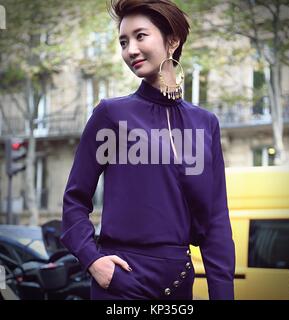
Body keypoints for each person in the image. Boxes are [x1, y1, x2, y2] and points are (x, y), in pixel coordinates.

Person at [61, 0, 235, 300]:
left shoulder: (205, 123)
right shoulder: (110, 115)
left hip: (179, 284)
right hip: (119, 282)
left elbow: (215, 221)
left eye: (141, 36)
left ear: (172, 40)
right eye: (124, 42)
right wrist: (93, 259)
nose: (130, 50)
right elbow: (74, 200)